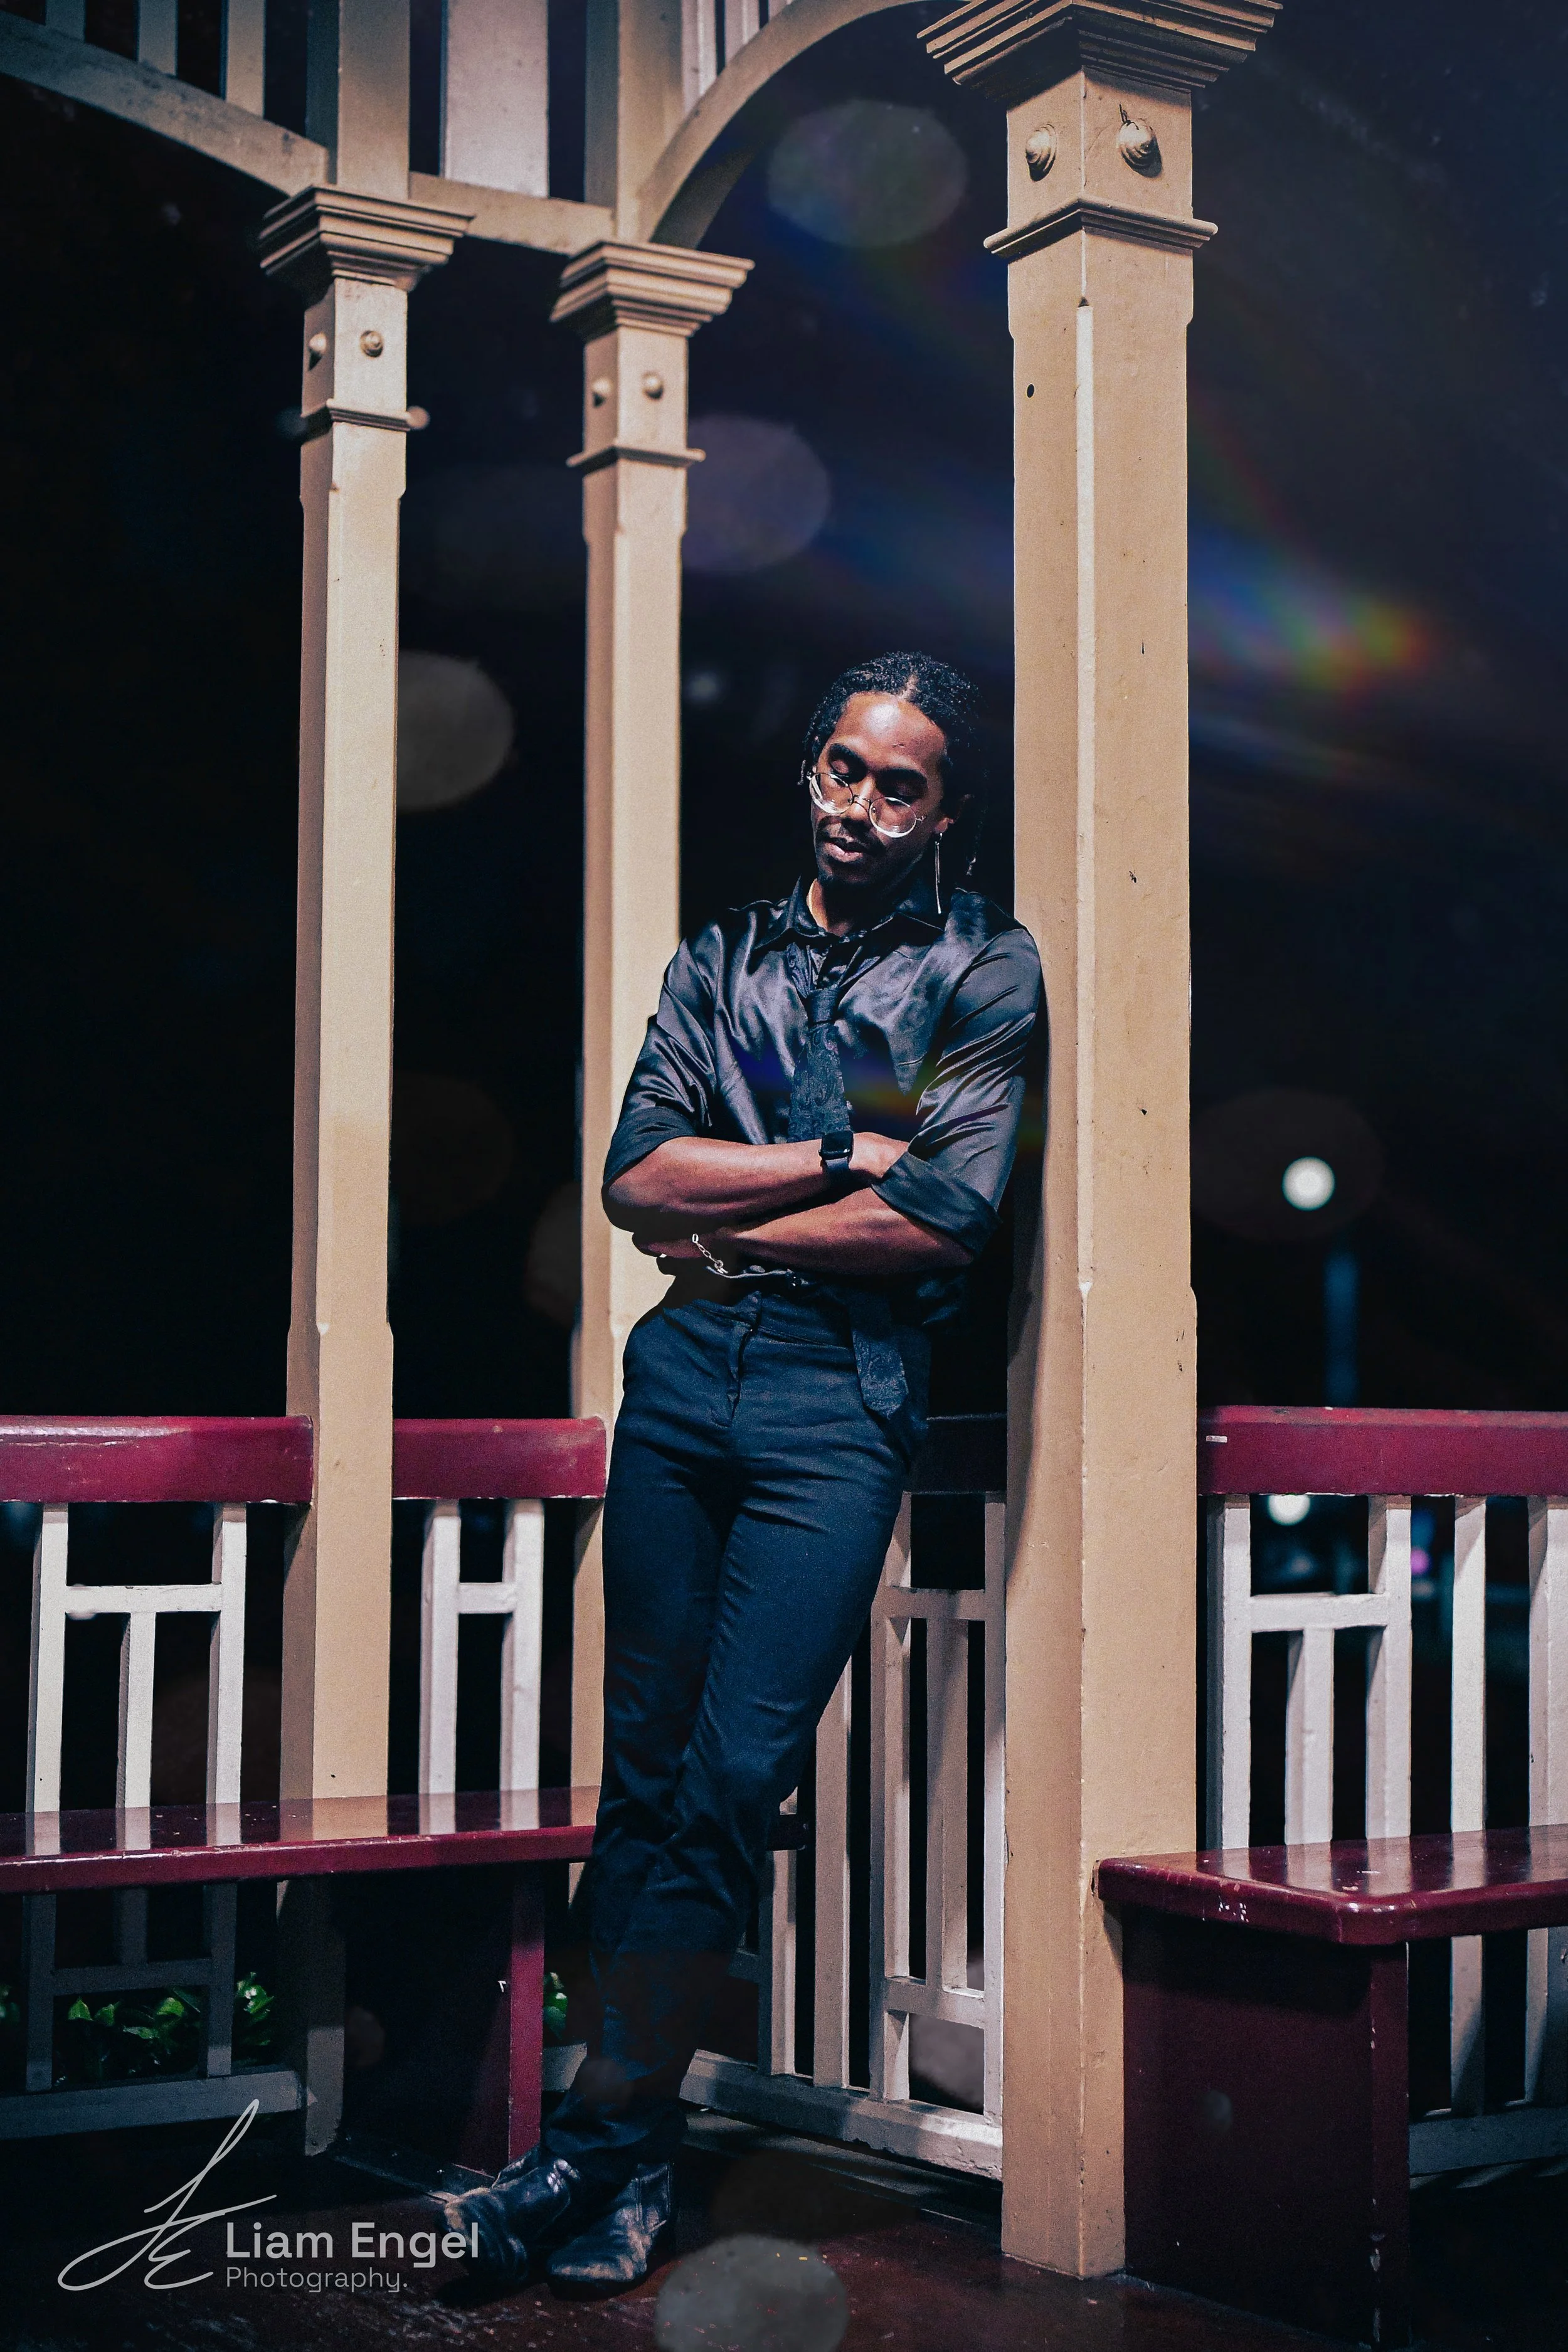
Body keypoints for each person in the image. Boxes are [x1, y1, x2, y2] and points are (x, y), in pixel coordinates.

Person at [442, 651, 1042, 2291]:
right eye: (844, 768)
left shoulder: (976, 969)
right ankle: (623, 2164)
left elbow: (938, 1218)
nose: (861, 806)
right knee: (639, 1775)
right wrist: (835, 1153)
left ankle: (583, 2148)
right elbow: (638, 1178)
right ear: (813, 770)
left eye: (900, 785)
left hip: (837, 1407)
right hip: (681, 1387)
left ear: (947, 811)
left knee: (726, 1778)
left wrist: (750, 1216)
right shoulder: (721, 958)